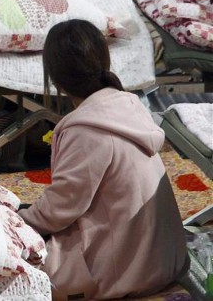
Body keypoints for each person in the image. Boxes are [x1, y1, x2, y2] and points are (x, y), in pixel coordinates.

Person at [17, 19, 188, 300]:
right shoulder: (127, 105)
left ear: (55, 78)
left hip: (123, 272)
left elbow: (61, 208)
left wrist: (18, 221)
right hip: (164, 260)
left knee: (6, 256)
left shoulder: (87, 130)